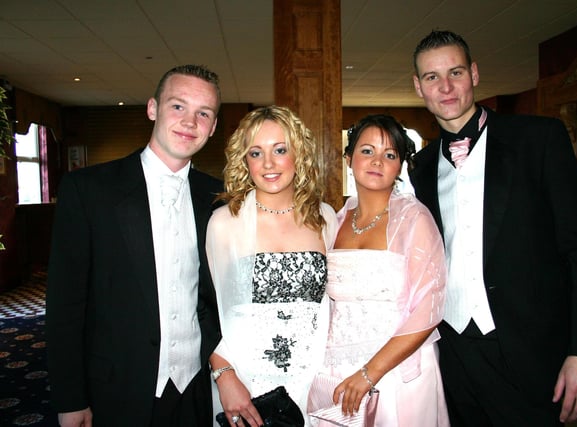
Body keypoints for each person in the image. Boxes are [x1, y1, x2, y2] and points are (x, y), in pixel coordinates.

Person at [409, 30, 577, 426]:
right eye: (432, 77)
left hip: (529, 351)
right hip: (453, 354)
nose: (445, 87)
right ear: (419, 87)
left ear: (475, 74)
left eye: (456, 72)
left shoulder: (539, 140)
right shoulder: (422, 167)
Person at [46, 64, 223, 427]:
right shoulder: (88, 190)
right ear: (153, 109)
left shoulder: (217, 198)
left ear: (213, 126)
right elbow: (65, 305)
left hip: (195, 389)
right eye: (178, 106)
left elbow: (212, 298)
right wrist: (70, 398)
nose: (190, 122)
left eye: (203, 113)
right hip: (117, 390)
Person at [205, 105, 338, 426]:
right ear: (244, 161)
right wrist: (224, 375)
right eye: (256, 153)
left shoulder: (325, 219)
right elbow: (206, 310)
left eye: (280, 150)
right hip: (245, 384)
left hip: (312, 382)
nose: (268, 164)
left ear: (299, 154)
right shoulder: (224, 223)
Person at [313, 114, 449, 426]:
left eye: (389, 155)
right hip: (337, 368)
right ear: (349, 159)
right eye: (367, 151)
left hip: (395, 371)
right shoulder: (334, 221)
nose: (377, 161)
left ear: (400, 166)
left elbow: (429, 309)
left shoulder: (415, 219)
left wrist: (369, 373)